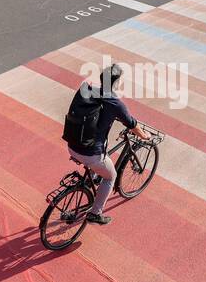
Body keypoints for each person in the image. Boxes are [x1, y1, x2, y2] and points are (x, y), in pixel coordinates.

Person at [60, 64, 150, 226]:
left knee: (102, 151)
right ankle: (95, 213)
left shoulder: (87, 89)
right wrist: (144, 135)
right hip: (91, 153)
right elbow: (132, 124)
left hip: (72, 144)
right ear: (117, 83)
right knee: (111, 177)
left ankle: (92, 178)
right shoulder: (116, 104)